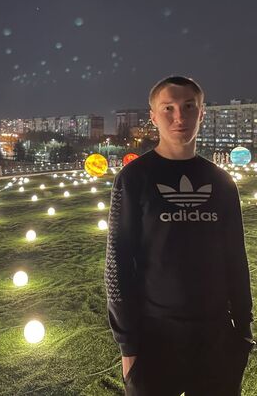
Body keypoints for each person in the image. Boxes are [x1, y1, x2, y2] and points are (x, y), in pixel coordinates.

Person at [104, 75, 255, 396]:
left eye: (189, 107)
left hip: (217, 338)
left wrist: (243, 330)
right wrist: (128, 346)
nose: (179, 117)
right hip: (154, 339)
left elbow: (235, 258)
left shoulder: (221, 182)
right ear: (153, 116)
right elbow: (117, 262)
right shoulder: (133, 178)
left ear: (201, 114)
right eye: (168, 108)